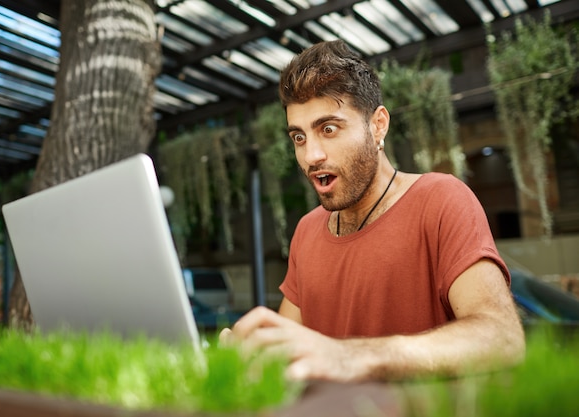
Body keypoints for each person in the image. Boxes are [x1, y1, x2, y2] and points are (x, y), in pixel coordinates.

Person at [220, 40, 525, 382]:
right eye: (299, 137)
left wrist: (353, 356)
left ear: (378, 125)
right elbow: (291, 352)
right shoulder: (306, 231)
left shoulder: (441, 199)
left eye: (328, 129)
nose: (311, 156)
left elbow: (503, 337)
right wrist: (254, 356)